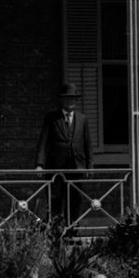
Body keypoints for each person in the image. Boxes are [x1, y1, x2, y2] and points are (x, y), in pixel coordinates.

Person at [36, 83, 92, 223]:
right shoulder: (52, 118)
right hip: (56, 166)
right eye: (67, 99)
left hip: (77, 166)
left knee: (75, 200)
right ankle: (55, 231)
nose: (70, 102)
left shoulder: (82, 119)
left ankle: (71, 230)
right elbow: (43, 142)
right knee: (55, 198)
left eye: (73, 99)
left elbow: (87, 144)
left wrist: (90, 164)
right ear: (61, 100)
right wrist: (39, 164)